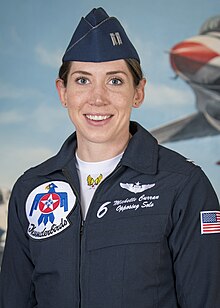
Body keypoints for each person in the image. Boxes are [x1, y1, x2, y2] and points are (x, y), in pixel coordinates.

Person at [0, 7, 220, 308]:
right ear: (62, 92)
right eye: (82, 80)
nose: (97, 98)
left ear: (138, 92)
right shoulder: (30, 188)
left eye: (115, 81)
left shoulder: (183, 186)